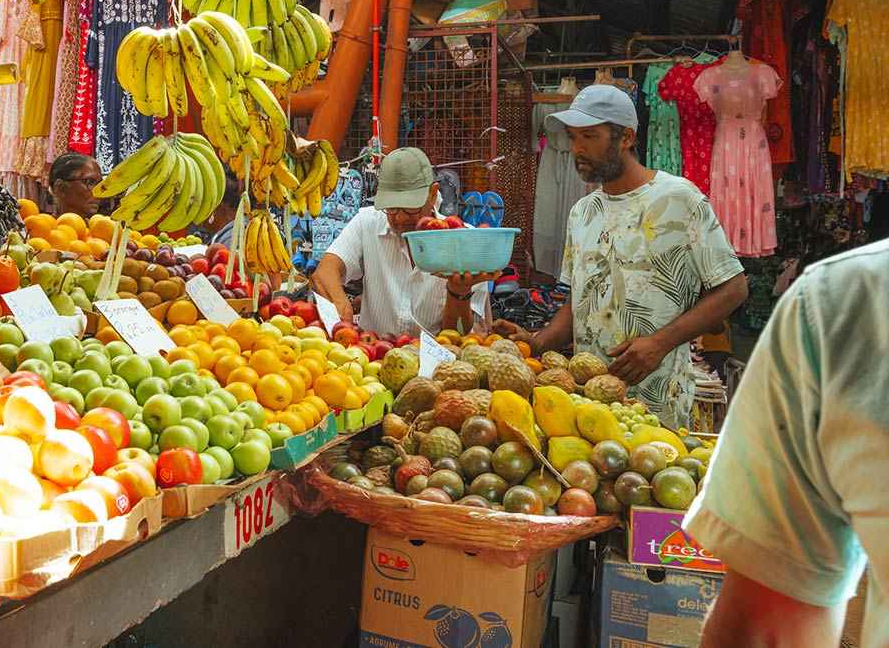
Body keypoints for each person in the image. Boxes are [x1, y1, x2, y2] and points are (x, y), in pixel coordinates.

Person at [492, 85, 747, 429]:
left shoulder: (680, 199)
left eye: (589, 136)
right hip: (591, 402)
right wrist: (535, 343)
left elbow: (734, 289)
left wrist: (659, 343)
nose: (576, 148)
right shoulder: (583, 212)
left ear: (625, 137)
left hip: (658, 399)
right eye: (572, 136)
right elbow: (578, 299)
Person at [684, 238, 888, 647]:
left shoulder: (842, 304)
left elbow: (764, 626)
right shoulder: (844, 309)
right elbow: (767, 622)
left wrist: (659, 342)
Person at [312, 147, 494, 334]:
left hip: (437, 360)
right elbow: (325, 273)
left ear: (433, 195)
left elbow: (459, 334)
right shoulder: (368, 222)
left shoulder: (467, 242)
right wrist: (341, 306)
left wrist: (458, 290)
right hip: (372, 357)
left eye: (409, 208)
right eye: (391, 208)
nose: (399, 218)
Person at [47, 151, 103, 218]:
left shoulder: (106, 227)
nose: (99, 192)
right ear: (60, 188)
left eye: (100, 184)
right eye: (90, 182)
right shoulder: (37, 227)